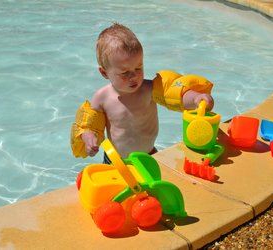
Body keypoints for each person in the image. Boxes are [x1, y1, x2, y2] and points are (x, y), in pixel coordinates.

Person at [71, 23, 214, 163]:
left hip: (149, 156)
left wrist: (196, 98)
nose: (133, 76)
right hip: (116, 161)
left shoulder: (148, 89)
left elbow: (176, 95)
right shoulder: (101, 98)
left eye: (138, 68)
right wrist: (89, 138)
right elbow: (88, 126)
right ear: (104, 72)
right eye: (125, 72)